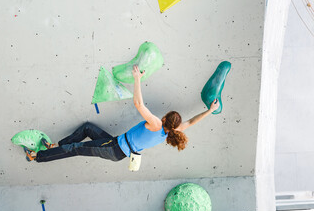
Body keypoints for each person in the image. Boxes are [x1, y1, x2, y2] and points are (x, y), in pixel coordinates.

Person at [25, 65, 219, 162]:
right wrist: (209, 110)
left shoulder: (157, 125)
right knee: (87, 128)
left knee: (76, 148)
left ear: (164, 119)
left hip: (114, 149)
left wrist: (137, 79)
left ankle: (37, 157)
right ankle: (54, 146)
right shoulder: (171, 130)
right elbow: (192, 121)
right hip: (117, 143)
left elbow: (138, 103)